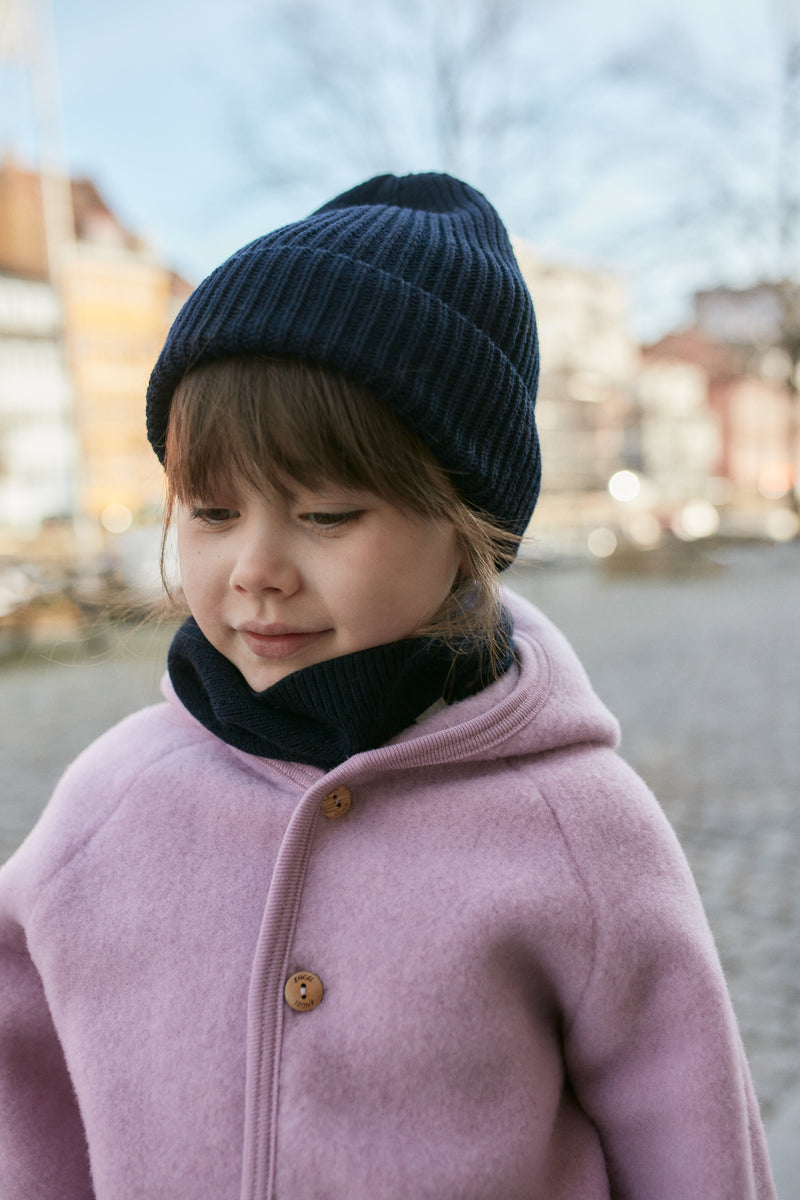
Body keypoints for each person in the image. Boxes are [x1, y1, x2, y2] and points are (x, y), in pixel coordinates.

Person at [0, 173, 775, 1200]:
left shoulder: (578, 829)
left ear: (463, 532)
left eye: (324, 514)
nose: (256, 568)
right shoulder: (108, 807)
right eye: (213, 511)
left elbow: (694, 1149)